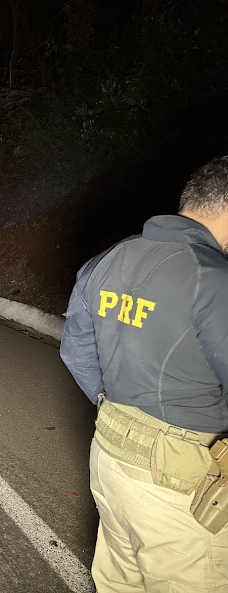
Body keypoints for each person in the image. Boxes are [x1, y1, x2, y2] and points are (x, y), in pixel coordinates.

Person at [60, 155, 228, 592]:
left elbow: (77, 352)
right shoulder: (214, 278)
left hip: (110, 458)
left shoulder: (107, 260)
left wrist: (121, 410)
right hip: (184, 484)